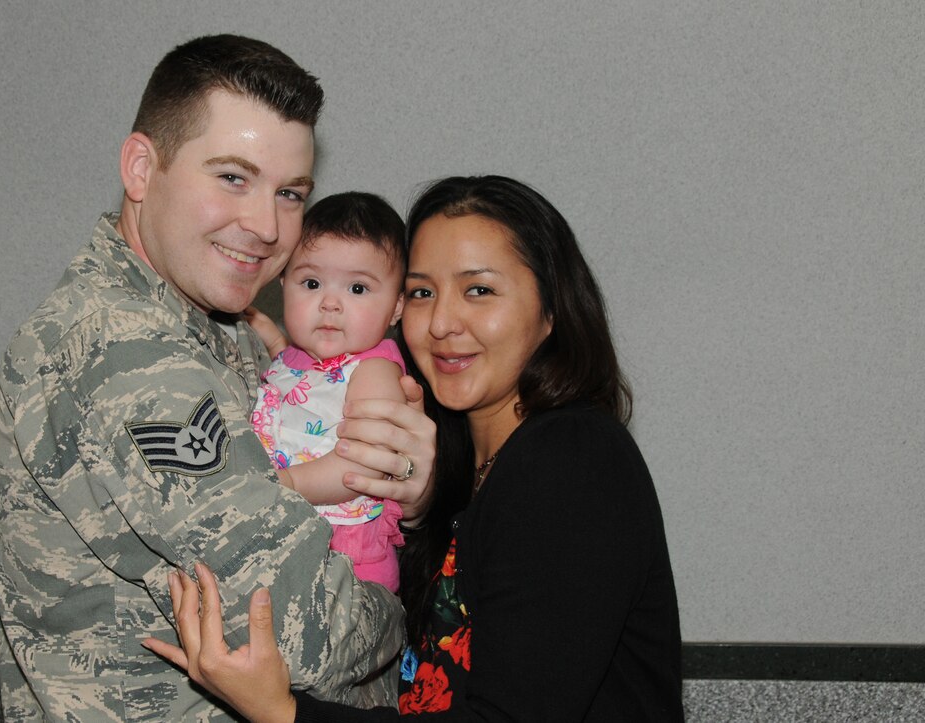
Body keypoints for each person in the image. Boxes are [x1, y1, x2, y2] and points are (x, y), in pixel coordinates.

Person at [0, 35, 436, 721]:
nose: (265, 225)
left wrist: (406, 490)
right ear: (141, 168)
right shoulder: (124, 354)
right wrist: (407, 606)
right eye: (232, 177)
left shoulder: (216, 316)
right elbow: (306, 629)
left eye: (290, 193)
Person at [145, 175, 684, 721]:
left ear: (550, 311)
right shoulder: (457, 458)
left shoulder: (572, 460)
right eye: (424, 292)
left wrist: (281, 711)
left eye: (479, 290)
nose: (443, 324)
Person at [248, 192, 410, 593]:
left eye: (358, 288)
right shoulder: (295, 357)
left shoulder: (374, 371)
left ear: (396, 308)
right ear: (283, 282)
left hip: (347, 565)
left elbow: (361, 466)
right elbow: (295, 381)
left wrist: (276, 484)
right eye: (312, 283)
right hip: (291, 550)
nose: (330, 304)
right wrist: (265, 331)